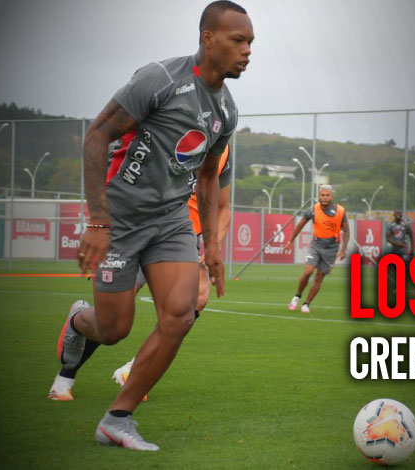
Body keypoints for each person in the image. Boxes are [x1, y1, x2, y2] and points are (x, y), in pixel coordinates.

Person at [47, 1, 252, 451]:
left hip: (172, 220)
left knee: (179, 316)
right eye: (238, 40)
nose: (247, 51)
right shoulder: (160, 79)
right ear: (208, 39)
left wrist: (212, 245)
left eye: (250, 43)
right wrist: (97, 219)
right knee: (113, 329)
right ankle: (79, 322)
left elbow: (208, 175)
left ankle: (117, 419)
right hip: (121, 219)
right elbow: (97, 135)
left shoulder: (227, 111)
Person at [109, 145, 233, 399]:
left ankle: (132, 370)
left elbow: (224, 207)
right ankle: (70, 363)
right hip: (141, 226)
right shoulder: (164, 131)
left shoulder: (223, 147)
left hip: (182, 236)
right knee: (113, 320)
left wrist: (212, 245)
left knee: (198, 298)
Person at [283, 185, 349, 313]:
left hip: (332, 248)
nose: (324, 198)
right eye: (322, 195)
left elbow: (346, 231)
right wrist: (290, 241)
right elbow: (300, 226)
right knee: (308, 271)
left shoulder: (340, 211)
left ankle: (306, 304)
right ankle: (297, 296)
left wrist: (343, 249)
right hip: (316, 245)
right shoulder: (312, 210)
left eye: (327, 195)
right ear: (319, 196)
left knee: (319, 278)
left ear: (332, 196)